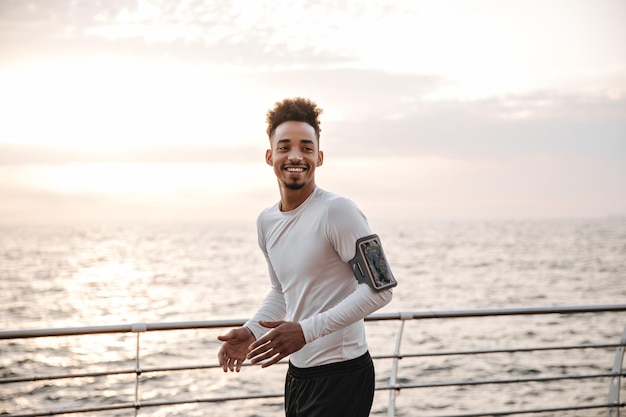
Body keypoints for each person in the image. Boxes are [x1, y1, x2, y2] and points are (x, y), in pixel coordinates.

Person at [217, 97, 396, 417]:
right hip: (299, 374)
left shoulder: (337, 211)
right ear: (270, 155)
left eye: (306, 147)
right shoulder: (266, 221)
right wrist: (251, 330)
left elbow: (381, 289)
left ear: (319, 157)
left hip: (343, 373)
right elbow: (282, 291)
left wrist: (305, 331)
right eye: (285, 147)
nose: (296, 156)